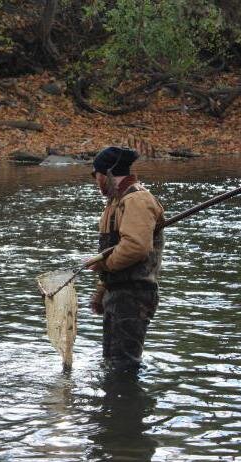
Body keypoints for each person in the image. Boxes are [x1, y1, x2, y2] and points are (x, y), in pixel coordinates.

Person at [87, 147, 165, 371]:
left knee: (123, 368)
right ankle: (112, 404)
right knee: (110, 363)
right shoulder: (115, 202)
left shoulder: (137, 200)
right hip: (117, 293)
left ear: (108, 174)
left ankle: (127, 405)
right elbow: (113, 250)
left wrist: (101, 264)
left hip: (134, 295)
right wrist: (102, 290)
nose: (96, 181)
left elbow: (135, 247)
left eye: (97, 175)